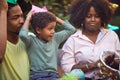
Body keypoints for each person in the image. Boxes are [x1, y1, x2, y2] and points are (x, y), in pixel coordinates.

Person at [60, 0, 120, 79]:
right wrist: (93, 65)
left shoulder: (111, 36)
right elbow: (67, 69)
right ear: (82, 18)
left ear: (102, 18)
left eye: (97, 16)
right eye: (88, 16)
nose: (93, 19)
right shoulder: (73, 40)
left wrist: (112, 62)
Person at [19, 8, 76, 80]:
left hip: (53, 76)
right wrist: (28, 19)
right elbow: (22, 35)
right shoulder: (31, 41)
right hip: (37, 76)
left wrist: (55, 18)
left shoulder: (55, 39)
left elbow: (71, 29)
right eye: (50, 28)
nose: (53, 31)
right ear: (38, 30)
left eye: (54, 28)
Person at [0, 0, 30, 80]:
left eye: (21, 16)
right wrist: (3, 11)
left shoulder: (28, 39)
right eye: (15, 18)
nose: (22, 21)